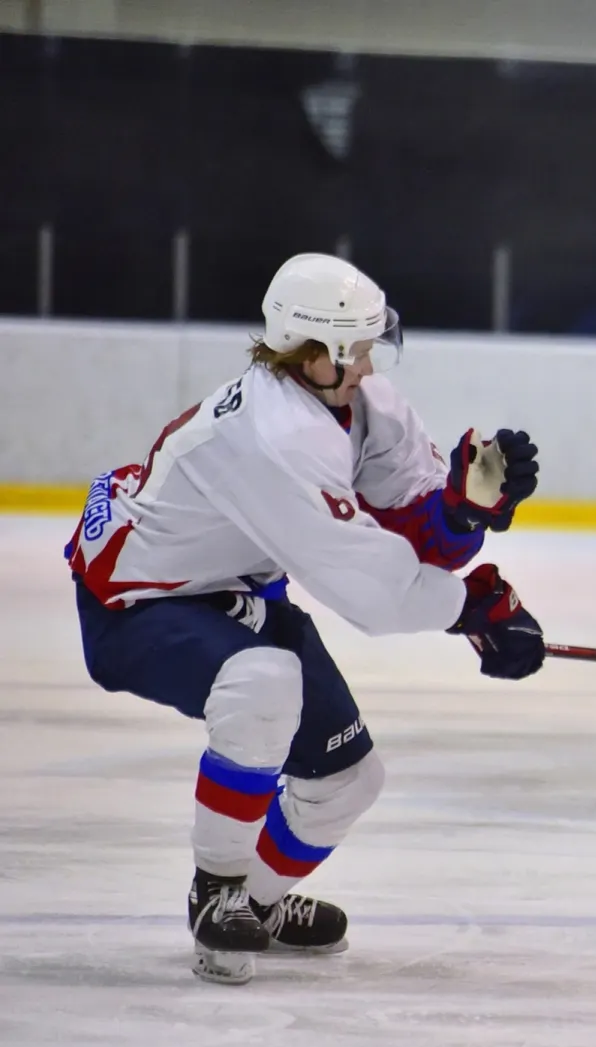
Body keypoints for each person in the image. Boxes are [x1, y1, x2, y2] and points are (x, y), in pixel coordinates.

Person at [65, 253, 547, 985]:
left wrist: (462, 512)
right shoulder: (273, 433)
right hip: (137, 600)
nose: (368, 365)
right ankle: (218, 893)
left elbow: (409, 526)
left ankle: (256, 906)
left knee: (349, 780)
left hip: (238, 588)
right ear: (307, 349)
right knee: (263, 681)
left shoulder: (363, 402)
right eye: (355, 350)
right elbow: (369, 588)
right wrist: (472, 607)